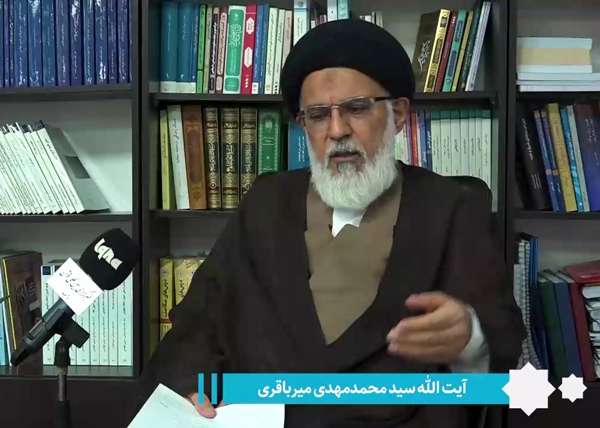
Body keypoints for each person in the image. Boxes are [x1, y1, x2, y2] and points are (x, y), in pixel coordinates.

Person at [131, 18, 525, 428]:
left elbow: (502, 335)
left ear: (398, 114)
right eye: (318, 115)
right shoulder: (266, 203)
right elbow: (196, 327)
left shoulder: (449, 207)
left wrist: (468, 335)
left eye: (356, 108)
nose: (337, 131)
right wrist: (191, 387)